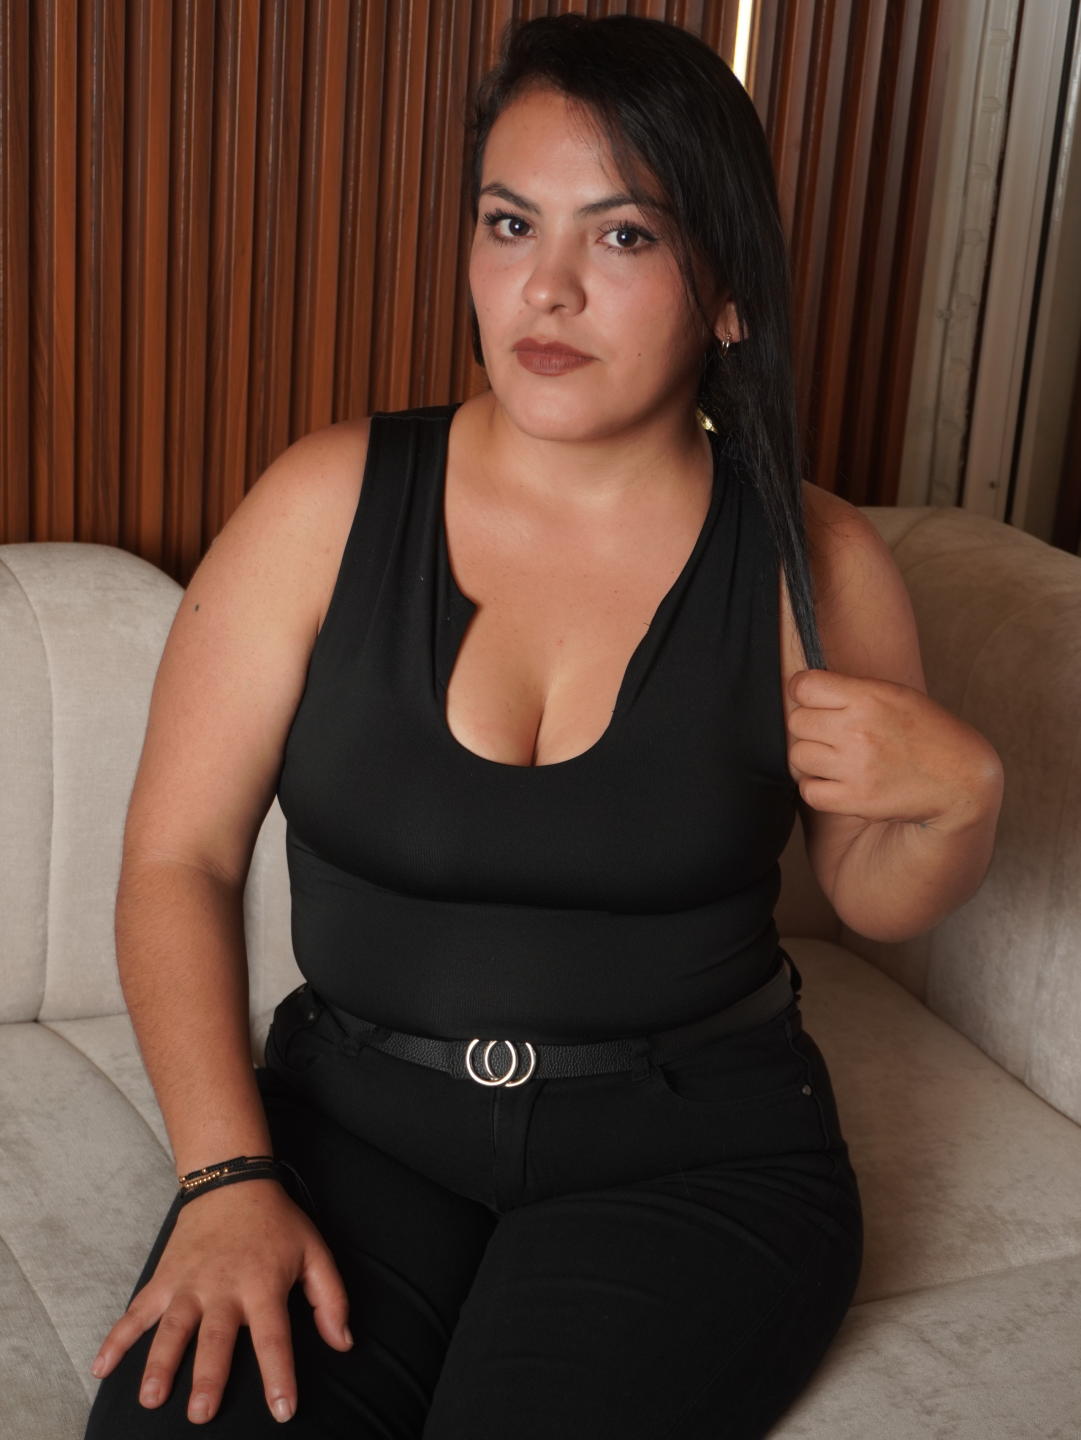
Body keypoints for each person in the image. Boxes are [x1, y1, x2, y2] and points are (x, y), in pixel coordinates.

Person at [83, 13, 1004, 1438]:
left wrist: (960, 799)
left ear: (728, 295)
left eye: (623, 236)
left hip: (696, 1159)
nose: (547, 287)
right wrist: (225, 1177)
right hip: (352, 1130)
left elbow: (872, 894)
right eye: (510, 224)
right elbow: (175, 862)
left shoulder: (810, 561)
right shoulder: (324, 502)